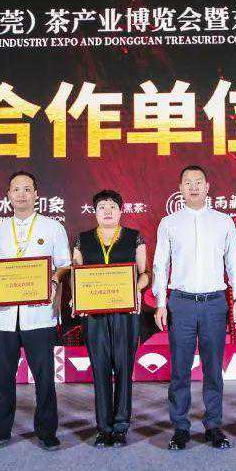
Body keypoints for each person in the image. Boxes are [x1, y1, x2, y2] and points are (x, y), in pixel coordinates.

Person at [152, 165, 236, 450]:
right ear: (180, 188)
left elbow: (233, 262)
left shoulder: (223, 221)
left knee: (213, 369)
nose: (193, 187)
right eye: (188, 182)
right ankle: (180, 427)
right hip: (180, 303)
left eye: (198, 182)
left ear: (207, 187)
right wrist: (160, 303)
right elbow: (160, 264)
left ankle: (214, 426)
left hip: (215, 303)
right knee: (180, 369)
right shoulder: (169, 223)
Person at [0, 171, 71, 451]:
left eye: (27, 189)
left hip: (39, 313)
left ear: (36, 195)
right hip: (3, 316)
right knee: (1, 378)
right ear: (8, 195)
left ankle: (46, 431)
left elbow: (64, 264)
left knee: (44, 377)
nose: (21, 194)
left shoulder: (53, 227)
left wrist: (53, 281)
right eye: (16, 189)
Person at [71, 190, 150, 447]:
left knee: (124, 368)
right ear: (94, 212)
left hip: (125, 312)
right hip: (94, 313)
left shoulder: (134, 237)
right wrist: (77, 297)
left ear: (120, 211)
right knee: (100, 368)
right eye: (102, 207)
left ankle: (121, 427)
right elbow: (75, 273)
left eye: (112, 206)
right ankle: (103, 428)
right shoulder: (83, 239)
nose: (107, 211)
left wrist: (135, 290)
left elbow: (145, 274)